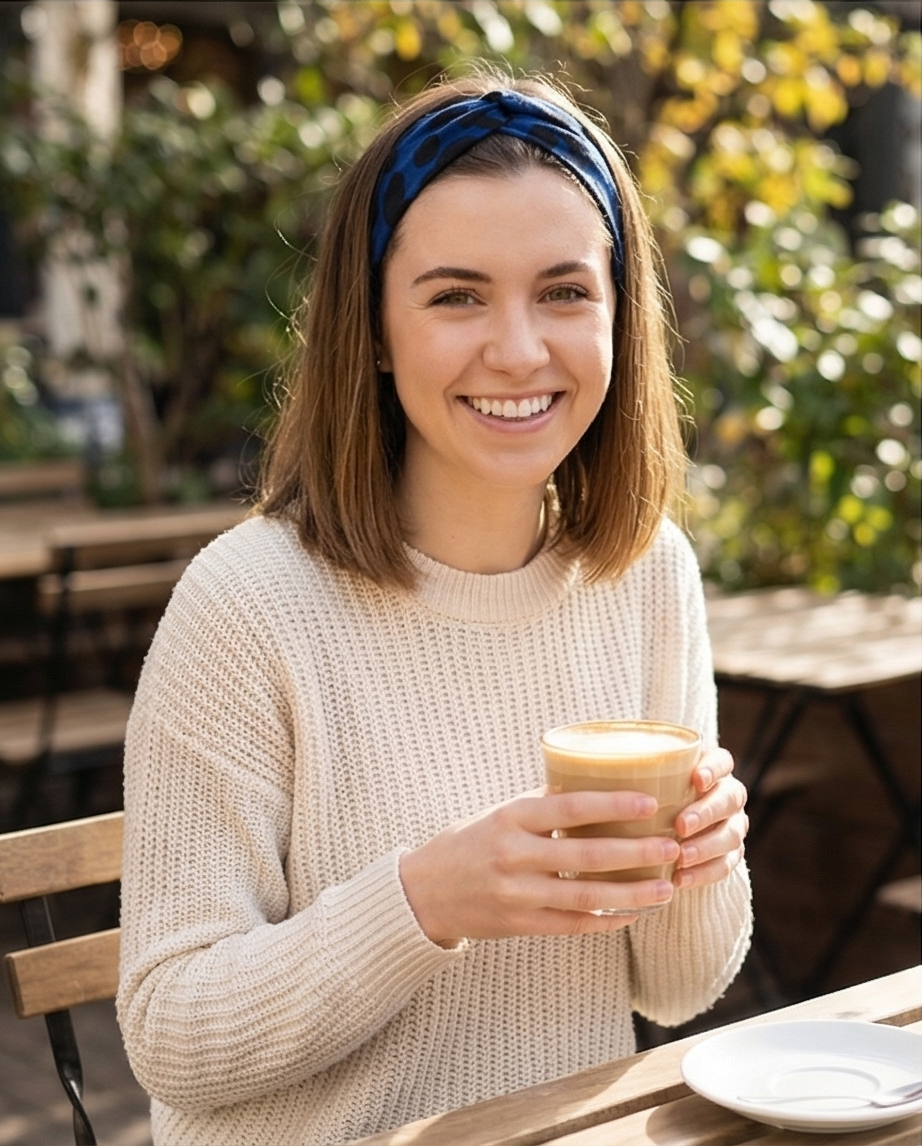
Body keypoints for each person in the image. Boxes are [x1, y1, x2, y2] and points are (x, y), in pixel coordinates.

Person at [117, 70, 751, 1146]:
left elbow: (679, 989)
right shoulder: (247, 607)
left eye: (563, 292)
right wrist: (422, 902)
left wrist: (702, 862)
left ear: (618, 314)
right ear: (371, 330)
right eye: (456, 296)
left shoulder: (645, 574)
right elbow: (170, 1034)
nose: (517, 349)